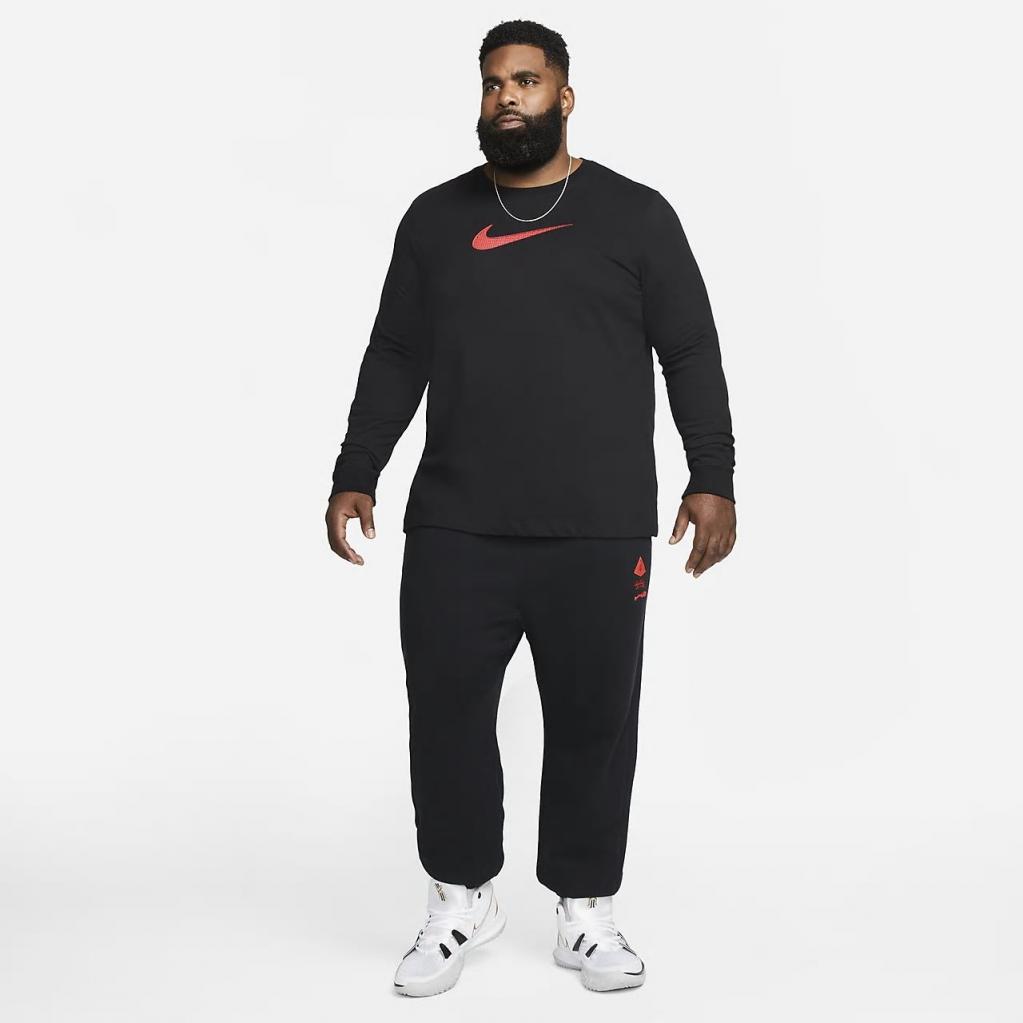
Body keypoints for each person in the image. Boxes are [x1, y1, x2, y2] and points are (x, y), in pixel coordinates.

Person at [325, 19, 737, 997]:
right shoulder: (435, 220)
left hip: (597, 525)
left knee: (595, 721)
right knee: (447, 719)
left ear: (564, 96)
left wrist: (712, 476)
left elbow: (690, 349)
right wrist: (357, 467)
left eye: (526, 80)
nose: (507, 97)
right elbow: (396, 352)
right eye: (492, 83)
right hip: (456, 524)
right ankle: (459, 898)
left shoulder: (635, 216)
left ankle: (585, 912)